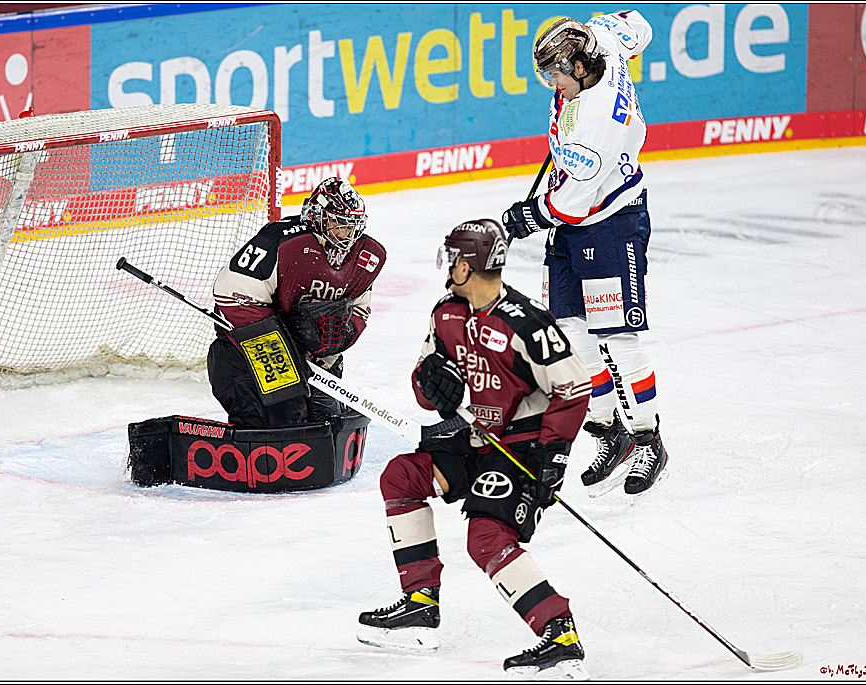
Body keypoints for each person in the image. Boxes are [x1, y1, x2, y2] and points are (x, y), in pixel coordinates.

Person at [357, 219, 593, 680]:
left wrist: (554, 455)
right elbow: (424, 384)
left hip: (519, 449)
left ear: (470, 265)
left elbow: (573, 388)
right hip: (472, 440)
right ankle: (420, 606)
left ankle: (560, 636)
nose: (448, 268)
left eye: (454, 259)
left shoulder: (527, 323)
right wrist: (433, 386)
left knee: (485, 539)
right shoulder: (445, 313)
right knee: (401, 476)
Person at [501, 11, 668, 497]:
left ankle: (646, 438)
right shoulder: (602, 38)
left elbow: (574, 201)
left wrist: (527, 216)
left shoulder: (597, 122)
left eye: (554, 74)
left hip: (610, 222)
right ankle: (607, 429)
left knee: (616, 336)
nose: (550, 83)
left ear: (578, 66)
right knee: (571, 332)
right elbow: (638, 25)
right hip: (576, 220)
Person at [209, 177, 385, 427]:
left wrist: (337, 342)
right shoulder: (279, 241)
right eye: (339, 224)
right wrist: (283, 346)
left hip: (314, 355)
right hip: (251, 347)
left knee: (326, 421)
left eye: (352, 226)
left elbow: (359, 308)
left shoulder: (363, 255)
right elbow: (232, 294)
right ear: (318, 216)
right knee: (280, 420)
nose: (347, 234)